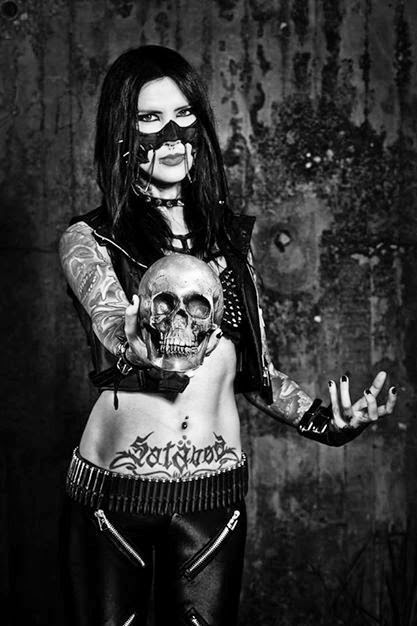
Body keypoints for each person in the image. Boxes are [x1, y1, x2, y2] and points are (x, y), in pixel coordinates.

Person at [59, 45, 397, 626]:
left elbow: (254, 372)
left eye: (183, 114)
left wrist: (327, 423)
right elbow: (111, 319)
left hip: (213, 500)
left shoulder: (230, 242)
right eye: (149, 118)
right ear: (120, 132)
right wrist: (131, 342)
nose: (171, 135)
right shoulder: (89, 240)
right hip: (114, 501)